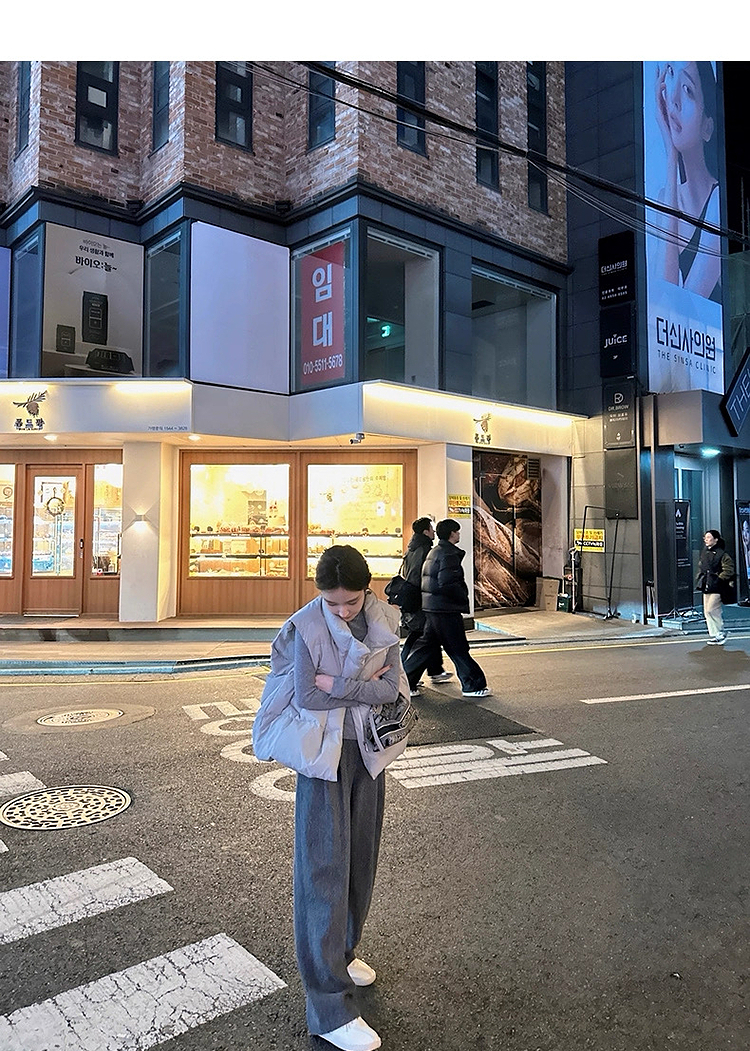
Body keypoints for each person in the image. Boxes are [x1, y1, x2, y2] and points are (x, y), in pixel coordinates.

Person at [266, 545, 409, 1051]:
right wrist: (361, 683)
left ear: (368, 589)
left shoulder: (383, 618)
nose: (343, 611)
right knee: (323, 871)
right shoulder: (305, 626)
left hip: (368, 752)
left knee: (360, 862)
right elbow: (308, 695)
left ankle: (343, 954)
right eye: (333, 603)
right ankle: (328, 1008)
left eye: (352, 601)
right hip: (322, 758)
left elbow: (392, 690)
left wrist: (339, 682)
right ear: (319, 594)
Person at [653, 62, 721, 301]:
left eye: (688, 90)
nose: (673, 99)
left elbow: (673, 303)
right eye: (670, 74)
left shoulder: (718, 201)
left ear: (707, 127)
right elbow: (662, 298)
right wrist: (670, 158)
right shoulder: (665, 197)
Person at [402, 518, 491, 697]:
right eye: (457, 531)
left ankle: (403, 683)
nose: (459, 534)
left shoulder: (434, 551)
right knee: (457, 648)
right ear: (451, 534)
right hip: (445, 609)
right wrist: (462, 596)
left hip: (432, 608)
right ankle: (472, 685)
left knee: (426, 648)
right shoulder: (448, 554)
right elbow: (448, 583)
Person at [399, 516, 453, 695]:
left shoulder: (412, 548)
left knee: (428, 635)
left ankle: (435, 670)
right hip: (420, 599)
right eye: (431, 528)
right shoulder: (424, 550)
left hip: (414, 598)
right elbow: (420, 577)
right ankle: (405, 676)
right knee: (419, 636)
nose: (433, 531)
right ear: (425, 531)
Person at [696, 529, 735, 645]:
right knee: (707, 611)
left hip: (718, 586)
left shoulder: (722, 554)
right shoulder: (704, 552)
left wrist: (719, 579)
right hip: (706, 584)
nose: (706, 540)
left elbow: (729, 569)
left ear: (716, 539)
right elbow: (701, 566)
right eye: (705, 537)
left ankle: (720, 632)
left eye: (708, 537)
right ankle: (715, 634)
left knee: (712, 609)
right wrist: (699, 577)